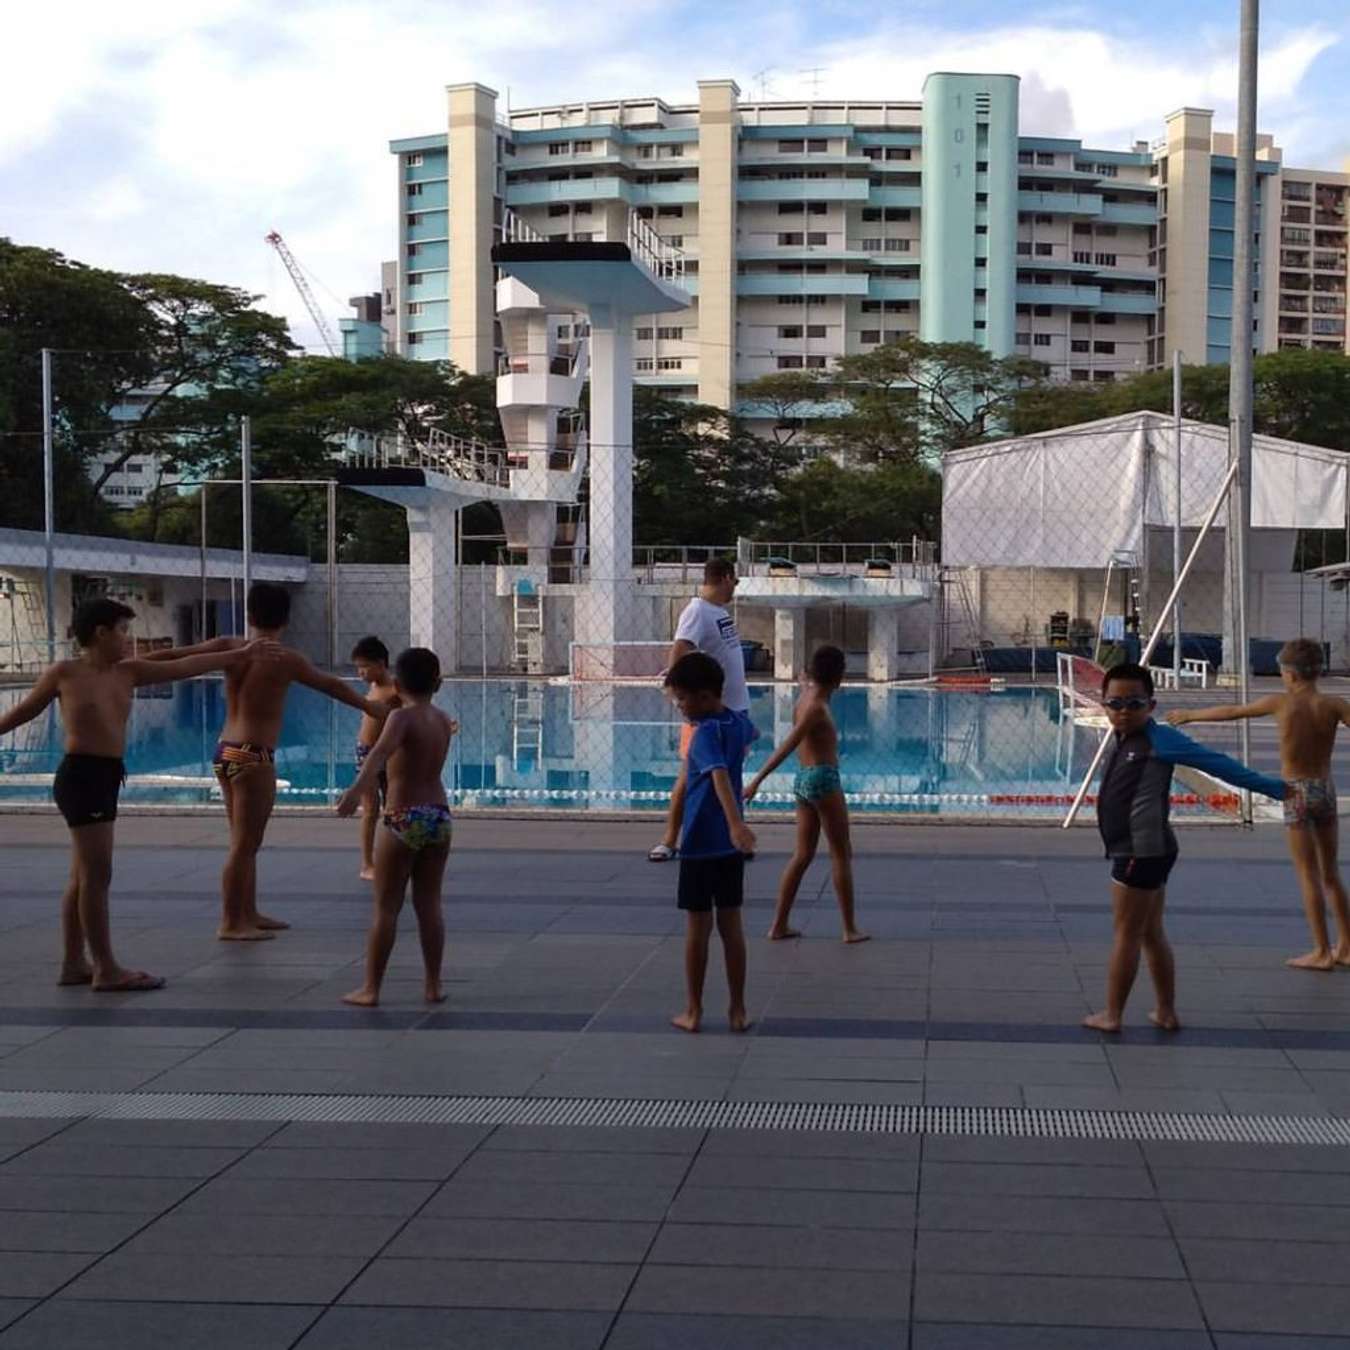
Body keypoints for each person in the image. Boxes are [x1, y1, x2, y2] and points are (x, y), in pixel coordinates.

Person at [0, 598, 275, 992]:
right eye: (123, 631)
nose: (129, 640)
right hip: (82, 777)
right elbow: (23, 712)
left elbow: (182, 666)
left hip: (107, 776)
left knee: (82, 876)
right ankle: (106, 968)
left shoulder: (127, 672)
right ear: (101, 633)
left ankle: (74, 963)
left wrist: (241, 653)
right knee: (97, 875)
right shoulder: (65, 673)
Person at [143, 582, 387, 941]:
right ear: (285, 619)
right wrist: (368, 706)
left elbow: (178, 655)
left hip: (225, 750)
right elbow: (330, 686)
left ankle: (248, 911)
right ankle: (230, 921)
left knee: (245, 842)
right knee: (244, 844)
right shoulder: (284, 659)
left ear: (249, 614)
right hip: (253, 756)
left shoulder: (230, 646)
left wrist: (129, 663)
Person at [1085, 662, 1286, 1033]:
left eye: (1134, 704)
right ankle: (1165, 1011)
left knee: (1128, 933)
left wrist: (1278, 789)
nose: (1124, 712)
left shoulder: (1161, 738)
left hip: (1139, 851)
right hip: (1146, 847)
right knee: (1149, 931)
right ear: (1103, 703)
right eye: (1115, 704)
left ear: (1152, 705)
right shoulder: (1124, 737)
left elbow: (1221, 766)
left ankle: (1112, 1014)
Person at [1168, 638, 1350, 971]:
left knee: (1307, 874)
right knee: (1331, 873)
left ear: (1290, 675)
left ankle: (1322, 951)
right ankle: (1347, 947)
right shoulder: (1335, 705)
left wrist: (1191, 715)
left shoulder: (1281, 704)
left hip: (1294, 792)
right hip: (1324, 791)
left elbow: (1232, 712)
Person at [335, 647, 457, 1008]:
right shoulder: (441, 719)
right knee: (429, 903)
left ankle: (371, 989)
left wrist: (356, 791)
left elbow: (378, 754)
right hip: (438, 816)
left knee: (387, 908)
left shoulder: (400, 719)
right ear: (439, 683)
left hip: (404, 817)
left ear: (398, 683)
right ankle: (433, 985)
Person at [744, 644, 868, 944]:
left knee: (802, 854)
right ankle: (849, 929)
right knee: (841, 853)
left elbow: (806, 685)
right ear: (840, 679)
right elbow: (788, 744)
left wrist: (804, 680)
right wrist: (757, 780)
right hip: (823, 779)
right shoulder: (817, 708)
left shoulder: (806, 697)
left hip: (802, 781)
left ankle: (779, 925)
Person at [663, 651, 757, 1033]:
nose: (680, 707)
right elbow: (753, 735)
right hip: (729, 851)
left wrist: (735, 824)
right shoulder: (737, 723)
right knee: (731, 927)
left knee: (698, 930)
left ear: (703, 697)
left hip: (702, 843)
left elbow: (718, 777)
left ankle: (694, 1009)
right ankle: (737, 1010)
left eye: (682, 699)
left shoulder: (702, 737)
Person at [649, 557, 756, 863]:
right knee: (689, 777)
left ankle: (733, 836)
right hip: (709, 711)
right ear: (724, 578)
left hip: (734, 709)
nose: (735, 587)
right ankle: (670, 839)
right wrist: (679, 697)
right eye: (734, 581)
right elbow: (680, 651)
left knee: (730, 775)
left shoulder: (718, 612)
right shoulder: (697, 610)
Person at [350, 636, 402, 882]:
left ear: (381, 664)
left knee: (393, 807)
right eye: (358, 667)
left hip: (388, 753)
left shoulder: (395, 690)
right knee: (370, 810)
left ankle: (394, 856)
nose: (361, 673)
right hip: (366, 752)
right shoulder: (373, 687)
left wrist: (444, 722)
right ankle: (367, 863)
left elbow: (415, 709)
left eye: (365, 667)